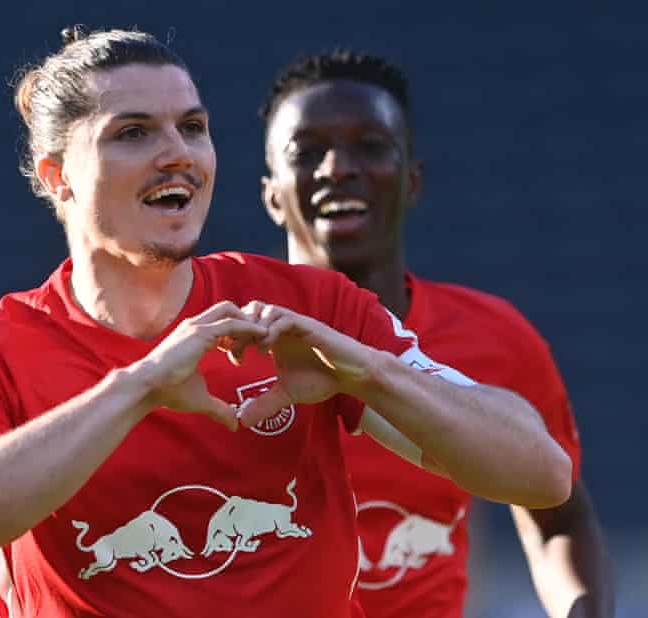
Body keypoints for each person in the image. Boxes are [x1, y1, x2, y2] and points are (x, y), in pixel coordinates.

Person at [0, 28, 571, 618]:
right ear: (57, 176)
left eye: (192, 127)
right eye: (134, 133)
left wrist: (368, 372)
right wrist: (141, 387)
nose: (178, 154)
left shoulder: (305, 307)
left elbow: (541, 474)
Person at [258, 50, 614, 618]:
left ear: (413, 180)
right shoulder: (228, 340)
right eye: (307, 152)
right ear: (273, 195)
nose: (336, 168)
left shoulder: (494, 337)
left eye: (369, 146)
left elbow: (560, 516)